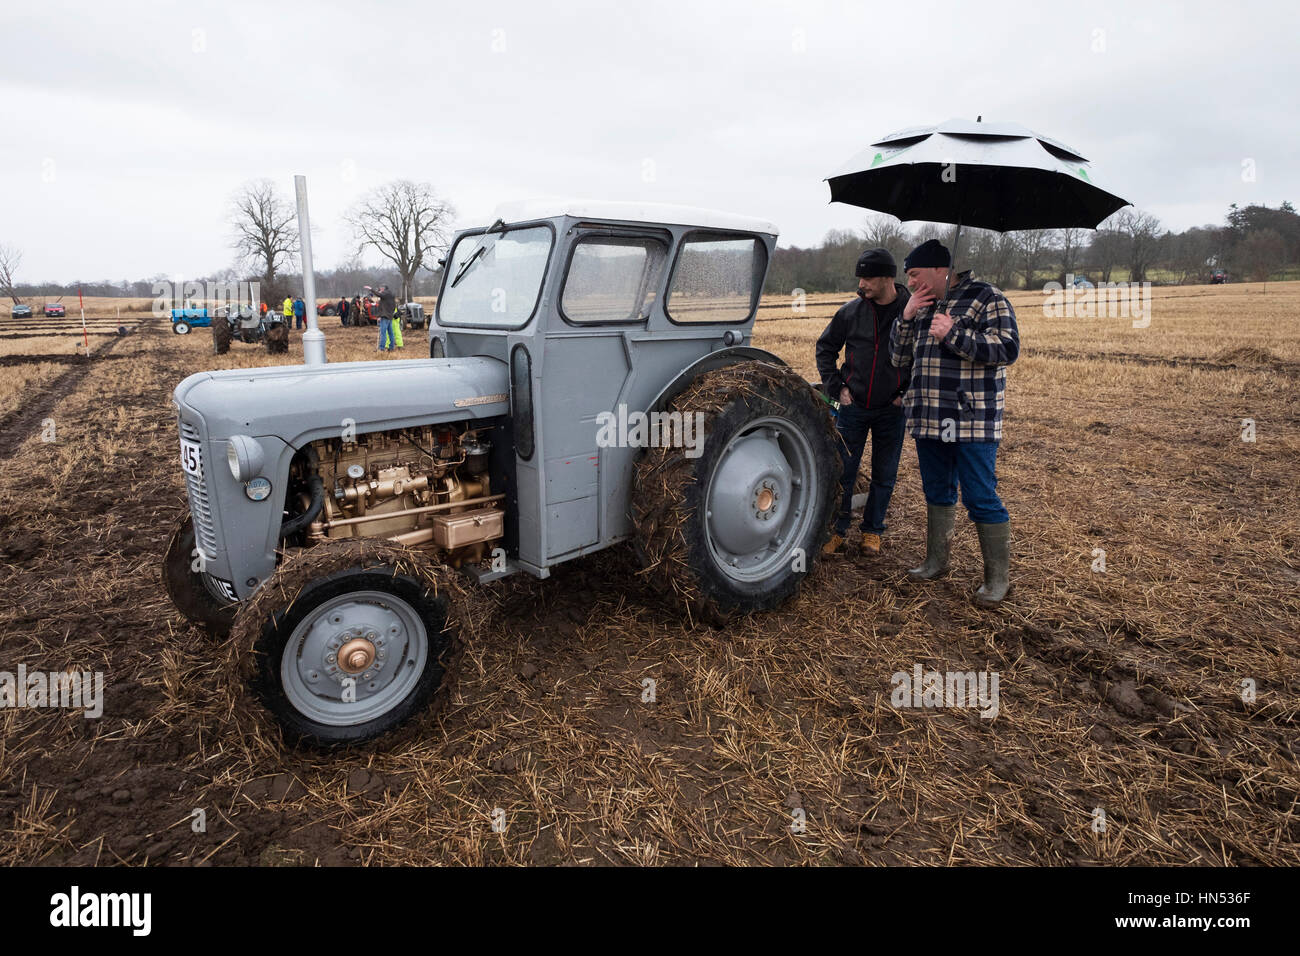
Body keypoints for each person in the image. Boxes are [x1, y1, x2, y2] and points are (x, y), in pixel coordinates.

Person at [890, 239, 1019, 607]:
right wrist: (907, 316)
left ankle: (997, 580)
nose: (911, 282)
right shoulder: (920, 304)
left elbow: (1008, 350)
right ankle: (936, 561)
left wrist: (954, 334)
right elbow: (898, 359)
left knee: (979, 496)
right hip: (929, 417)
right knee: (937, 492)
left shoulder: (987, 297)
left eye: (914, 275)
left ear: (937, 270)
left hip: (971, 420)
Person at [816, 248, 910, 556]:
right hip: (854, 407)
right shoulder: (850, 312)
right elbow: (825, 348)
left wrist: (906, 393)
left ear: (887, 278)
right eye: (860, 277)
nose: (862, 284)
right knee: (843, 469)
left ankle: (872, 532)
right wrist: (836, 387)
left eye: (868, 277)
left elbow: (924, 358)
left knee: (885, 473)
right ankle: (837, 530)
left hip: (892, 411)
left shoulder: (911, 311)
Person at [371, 284, 397, 352]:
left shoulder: (385, 294)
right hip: (390, 317)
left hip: (384, 317)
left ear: (384, 289)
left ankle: (381, 348)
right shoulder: (391, 295)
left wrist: (371, 289)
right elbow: (394, 307)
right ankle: (391, 347)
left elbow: (379, 294)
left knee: (383, 333)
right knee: (391, 333)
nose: (380, 290)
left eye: (381, 288)